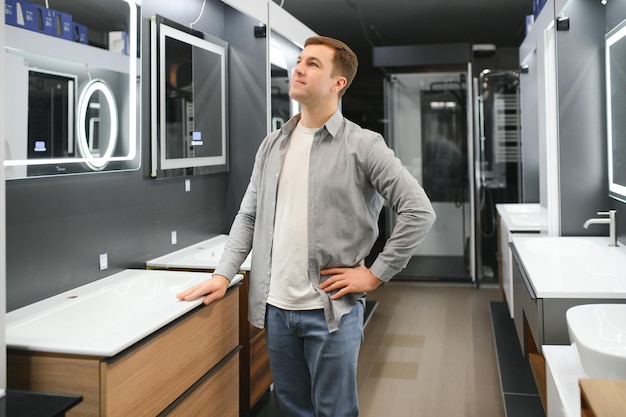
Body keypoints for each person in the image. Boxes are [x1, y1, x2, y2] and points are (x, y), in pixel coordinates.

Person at [177, 36, 436, 417]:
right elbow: (249, 215)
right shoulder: (271, 145)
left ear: (338, 83)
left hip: (331, 311)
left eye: (313, 64)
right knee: (293, 408)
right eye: (299, 61)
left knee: (334, 411)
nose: (298, 68)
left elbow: (419, 211)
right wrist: (222, 274)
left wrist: (375, 275)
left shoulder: (364, 146)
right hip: (276, 308)